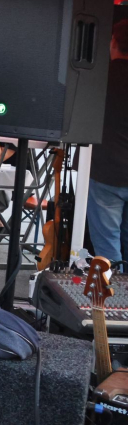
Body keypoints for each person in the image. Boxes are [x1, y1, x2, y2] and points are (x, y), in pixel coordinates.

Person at [86, 19, 128, 263]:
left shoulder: (99, 79)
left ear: (113, 42)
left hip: (106, 172)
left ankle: (112, 299)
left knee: (107, 246)